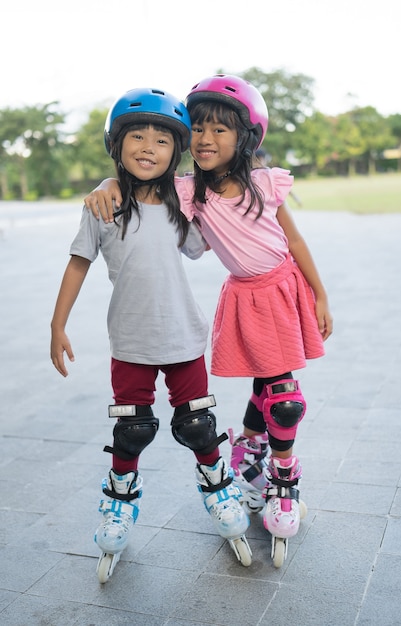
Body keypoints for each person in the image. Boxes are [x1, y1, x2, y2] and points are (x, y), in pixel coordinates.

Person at [84, 75, 333, 567]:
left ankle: (283, 476)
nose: (204, 138)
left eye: (219, 130)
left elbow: (296, 242)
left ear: (245, 137)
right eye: (197, 128)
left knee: (284, 400)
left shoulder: (264, 183)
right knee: (270, 383)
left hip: (283, 288)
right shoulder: (188, 192)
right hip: (244, 296)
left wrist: (320, 295)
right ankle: (251, 446)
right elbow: (141, 181)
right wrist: (108, 181)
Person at [50, 87, 252, 582]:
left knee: (198, 425)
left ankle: (219, 489)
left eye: (161, 140)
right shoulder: (104, 206)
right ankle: (120, 503)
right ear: (116, 146)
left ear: (175, 152)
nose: (147, 146)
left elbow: (206, 238)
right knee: (132, 429)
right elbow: (78, 263)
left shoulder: (183, 203)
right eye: (136, 136)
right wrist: (58, 324)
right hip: (132, 342)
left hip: (183, 336)